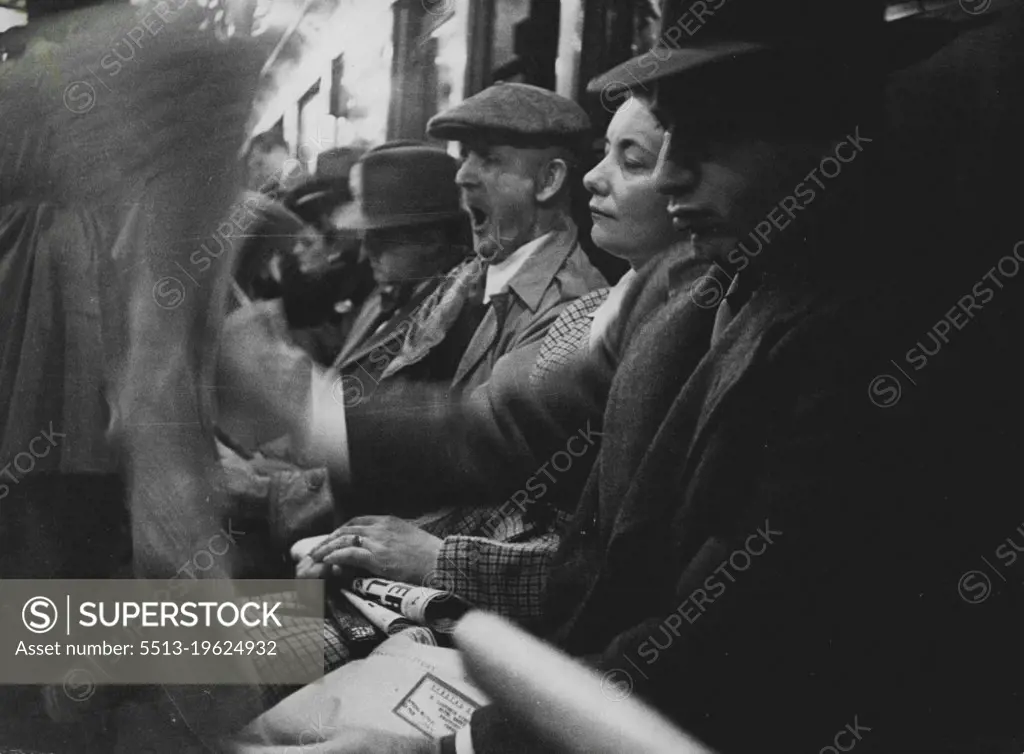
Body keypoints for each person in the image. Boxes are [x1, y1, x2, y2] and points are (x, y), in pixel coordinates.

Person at [221, 1, 1023, 752]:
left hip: (506, 674)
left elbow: (713, 652)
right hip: (463, 648)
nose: (671, 178)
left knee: (140, 650)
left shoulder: (880, 346)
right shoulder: (665, 288)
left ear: (831, 124)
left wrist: (450, 739)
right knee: (121, 641)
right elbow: (493, 431)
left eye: (712, 132)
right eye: (666, 134)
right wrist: (296, 404)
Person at [330, 142, 472, 383]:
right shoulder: (382, 297)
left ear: (431, 240)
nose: (367, 250)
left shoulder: (456, 316)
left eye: (382, 237)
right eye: (365, 236)